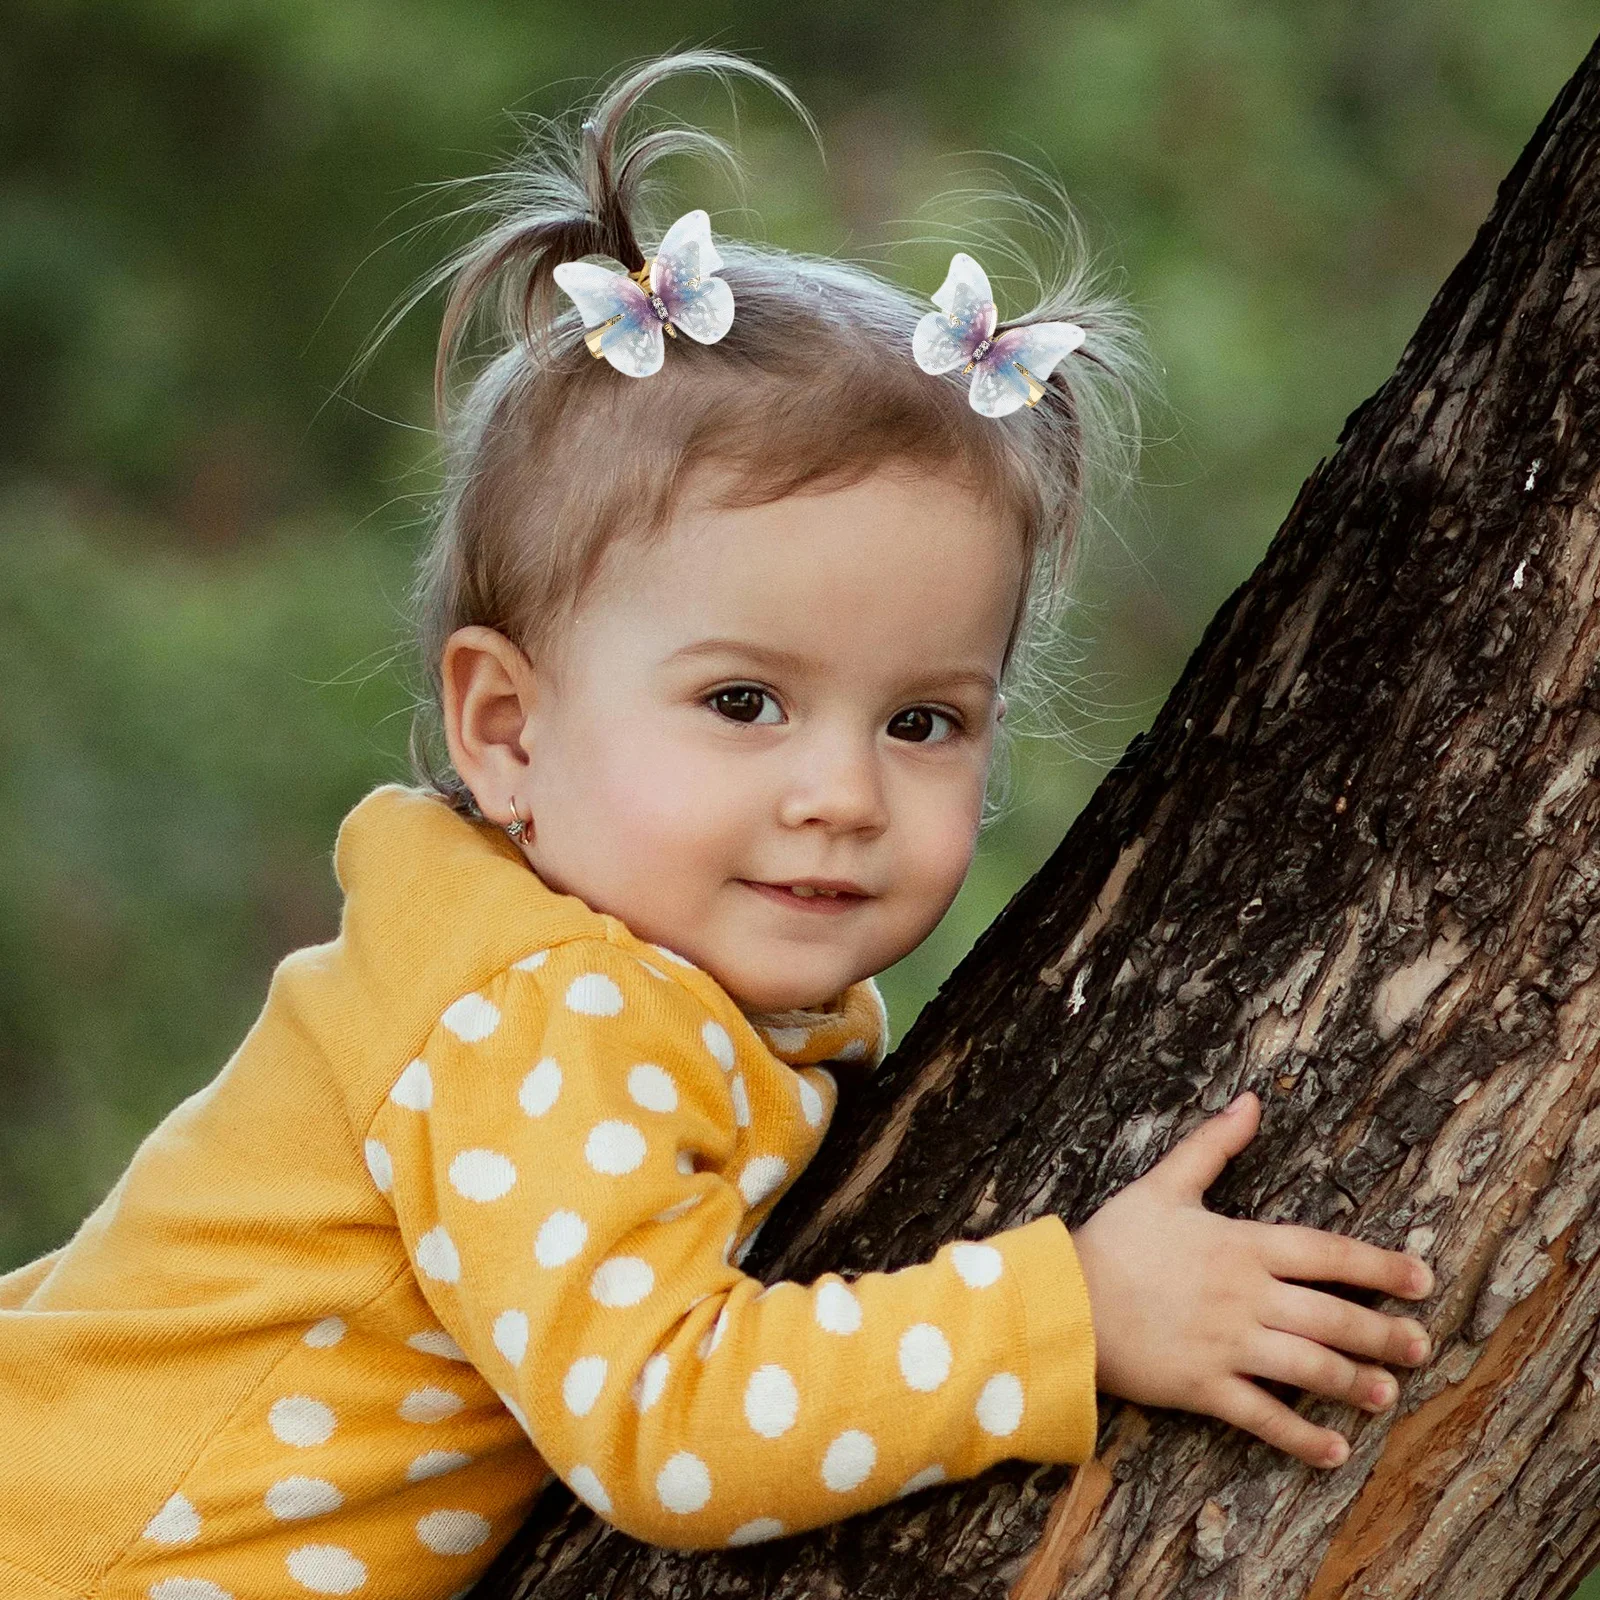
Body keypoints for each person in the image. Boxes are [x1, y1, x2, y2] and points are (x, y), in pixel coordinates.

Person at [0, 49, 1435, 1600]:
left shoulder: (634, 985)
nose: (841, 792)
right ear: (508, 729)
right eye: (743, 703)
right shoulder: (549, 1011)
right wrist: (1066, 1314)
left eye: (922, 722)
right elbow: (669, 1422)